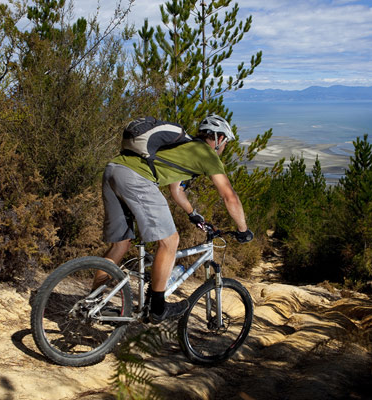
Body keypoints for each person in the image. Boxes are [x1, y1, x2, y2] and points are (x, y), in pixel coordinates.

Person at [97, 114, 254, 324]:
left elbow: (176, 190)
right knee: (170, 241)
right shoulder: (207, 154)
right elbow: (229, 196)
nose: (224, 146)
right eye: (225, 141)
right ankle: (157, 308)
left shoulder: (184, 147)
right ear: (219, 139)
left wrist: (193, 214)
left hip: (113, 171)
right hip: (136, 178)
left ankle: (95, 302)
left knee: (120, 245)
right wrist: (243, 229)